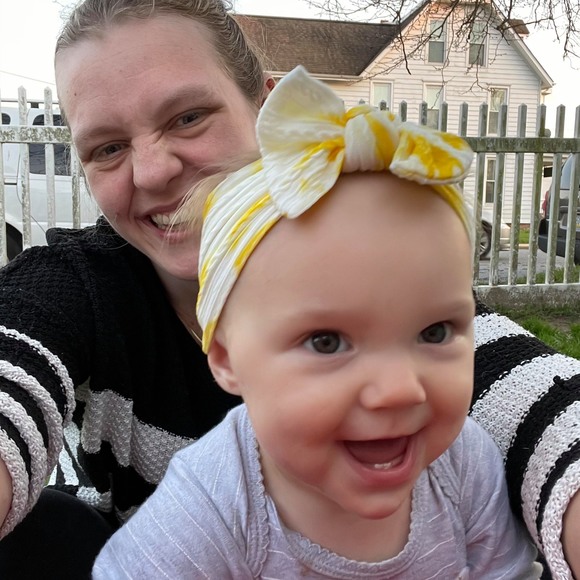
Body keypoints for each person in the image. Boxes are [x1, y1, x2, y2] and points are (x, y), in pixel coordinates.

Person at [0, 0, 577, 578]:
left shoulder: (383, 272)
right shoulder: (75, 288)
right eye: (107, 148)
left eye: (188, 117)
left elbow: (541, 406)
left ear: (267, 107)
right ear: (224, 354)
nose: (153, 171)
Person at [93, 66, 541, 578]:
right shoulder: (208, 510)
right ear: (226, 358)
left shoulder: (465, 465)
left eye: (435, 332)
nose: (398, 390)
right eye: (327, 342)